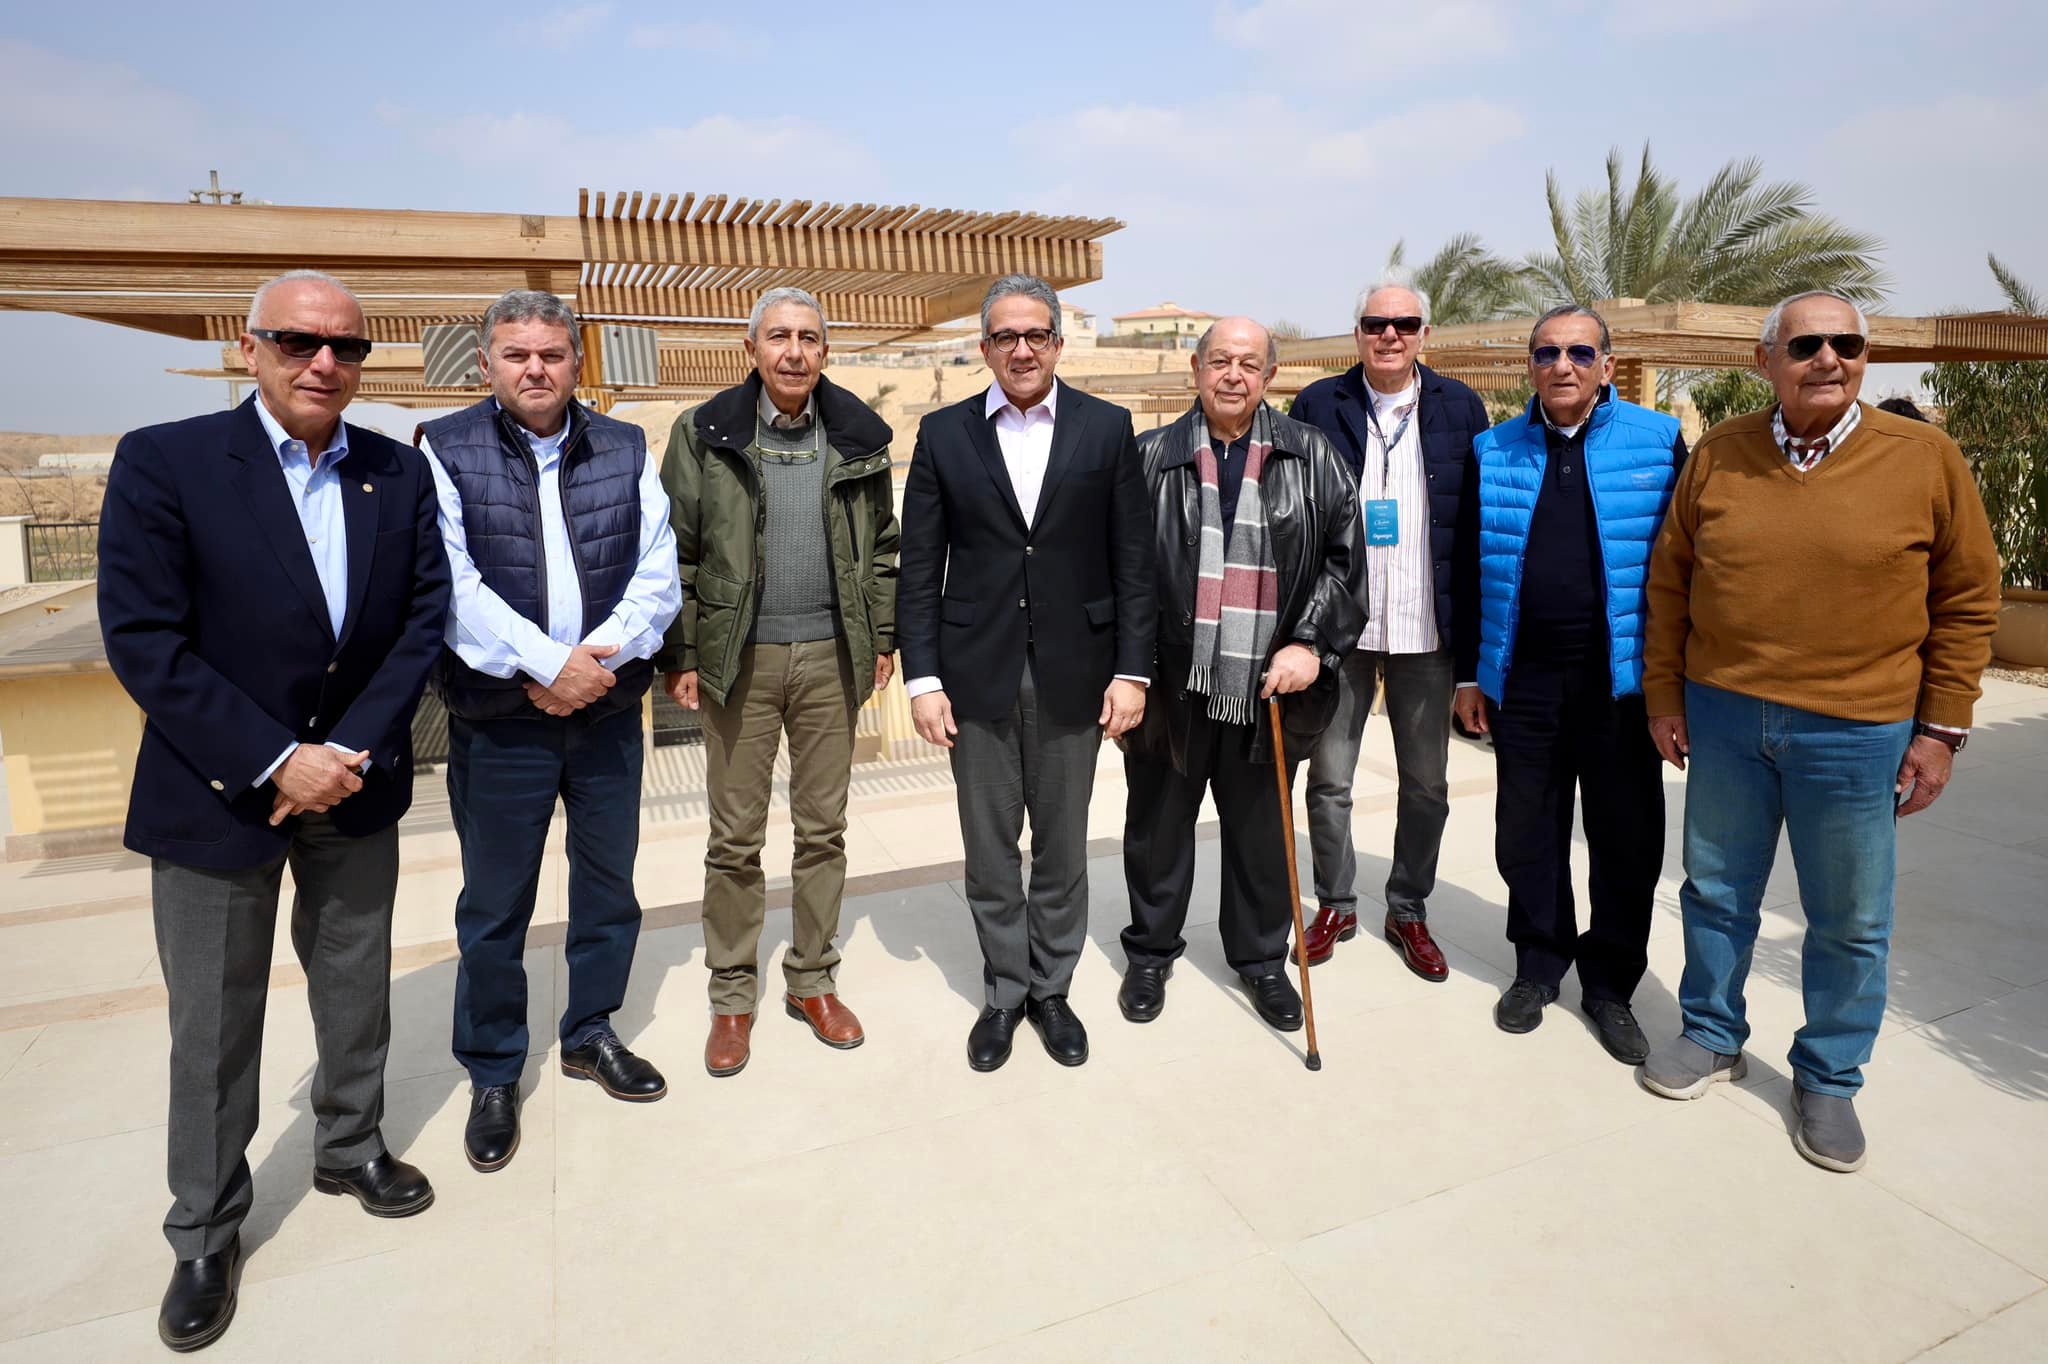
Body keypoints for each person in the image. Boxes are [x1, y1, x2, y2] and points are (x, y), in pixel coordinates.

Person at [98, 269, 451, 1352]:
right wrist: (272, 759)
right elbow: (145, 638)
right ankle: (206, 1228)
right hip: (218, 792)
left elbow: (422, 618)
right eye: (299, 341)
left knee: (354, 983)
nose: (324, 363)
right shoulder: (167, 461)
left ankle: (350, 1146)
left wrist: (343, 752)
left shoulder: (396, 469)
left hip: (353, 780)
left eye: (347, 346)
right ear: (248, 347)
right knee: (212, 1021)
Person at [1640, 291, 2001, 1172]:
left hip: (1858, 727)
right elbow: (1671, 581)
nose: (1828, 358)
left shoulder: (1924, 458)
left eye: (1846, 343)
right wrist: (1664, 695)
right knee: (1716, 890)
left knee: (1849, 917)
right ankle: (1711, 1033)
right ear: (1765, 361)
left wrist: (1942, 730)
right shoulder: (1721, 454)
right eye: (1806, 345)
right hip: (1725, 713)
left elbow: (1968, 598)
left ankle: (1830, 1078)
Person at [418, 289, 680, 1173]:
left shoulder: (626, 446)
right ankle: (494, 1070)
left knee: (608, 887)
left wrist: (594, 664)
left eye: (552, 354)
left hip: (603, 712)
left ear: (577, 361)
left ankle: (590, 1032)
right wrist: (546, 664)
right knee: (496, 906)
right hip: (501, 721)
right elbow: (452, 586)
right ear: (486, 363)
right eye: (517, 353)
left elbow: (657, 572)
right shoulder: (445, 448)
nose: (536, 368)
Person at [897, 274, 1154, 1071]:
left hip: (1078, 671)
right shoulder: (943, 435)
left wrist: (1134, 672)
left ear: (1057, 343)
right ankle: (1005, 992)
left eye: (1035, 334)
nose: (1021, 349)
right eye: (1005, 336)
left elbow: (1134, 561)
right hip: (976, 675)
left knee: (1064, 848)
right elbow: (919, 569)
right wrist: (922, 680)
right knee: (989, 851)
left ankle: (1052, 989)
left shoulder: (1106, 428)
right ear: (984, 348)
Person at [657, 286, 900, 1077]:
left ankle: (812, 981)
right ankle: (732, 995)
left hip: (831, 659)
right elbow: (675, 551)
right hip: (741, 662)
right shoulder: (704, 432)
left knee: (824, 831)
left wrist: (882, 636)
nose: (794, 352)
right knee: (735, 839)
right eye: (778, 337)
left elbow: (884, 548)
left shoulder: (859, 436)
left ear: (825, 351)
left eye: (808, 338)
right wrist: (682, 654)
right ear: (752, 349)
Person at [1117, 318, 1367, 1032]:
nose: (1233, 374)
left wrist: (1311, 644)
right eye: (1220, 360)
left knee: (1261, 835)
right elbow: (1120, 570)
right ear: (1196, 369)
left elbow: (1347, 562)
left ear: (1269, 377)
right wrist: (1127, 671)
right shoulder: (1149, 458)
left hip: (1268, 686)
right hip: (1171, 681)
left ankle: (1260, 960)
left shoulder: (1312, 456)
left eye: (1249, 363)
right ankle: (1151, 952)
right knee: (1158, 829)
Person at [1453, 305, 1686, 1060]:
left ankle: (1611, 985)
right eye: (1547, 352)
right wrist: (1469, 676)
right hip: (1524, 683)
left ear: (1607, 366)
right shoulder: (1493, 449)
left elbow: (1688, 568)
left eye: (1580, 352)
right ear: (1530, 365)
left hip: (1621, 686)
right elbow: (1468, 571)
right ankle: (1539, 964)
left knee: (1626, 840)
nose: (1563, 365)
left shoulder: (1659, 441)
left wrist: (1674, 686)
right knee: (1527, 833)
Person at [1290, 278, 1489, 980]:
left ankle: (1408, 908)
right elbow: (1296, 515)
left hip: (1426, 632)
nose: (1390, 335)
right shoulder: (1319, 404)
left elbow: (1476, 526)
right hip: (1342, 632)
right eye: (1377, 323)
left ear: (1424, 333)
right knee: (1329, 781)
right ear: (1359, 333)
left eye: (1405, 323)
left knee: (1426, 785)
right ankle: (1336, 903)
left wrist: (1473, 662)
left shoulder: (1460, 407)